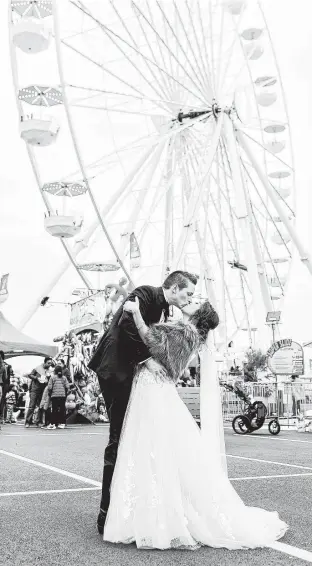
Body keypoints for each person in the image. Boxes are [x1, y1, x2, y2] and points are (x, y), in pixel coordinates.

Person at [103, 298, 288, 550]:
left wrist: (136, 313)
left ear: (198, 315)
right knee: (156, 452)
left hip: (152, 391)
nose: (189, 301)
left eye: (194, 302)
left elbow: (148, 338)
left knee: (149, 449)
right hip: (155, 390)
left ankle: (152, 517)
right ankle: (155, 514)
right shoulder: (190, 335)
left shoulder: (184, 332)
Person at [88, 270, 197, 534]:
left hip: (130, 372)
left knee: (131, 437)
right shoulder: (146, 293)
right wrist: (146, 360)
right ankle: (106, 514)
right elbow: (127, 324)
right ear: (173, 287)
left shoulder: (164, 310)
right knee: (119, 437)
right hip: (116, 369)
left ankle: (124, 508)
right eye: (188, 292)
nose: (190, 297)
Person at [47, 365, 70, 430]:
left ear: (55, 371)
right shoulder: (64, 378)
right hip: (62, 396)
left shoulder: (52, 378)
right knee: (62, 409)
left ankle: (53, 424)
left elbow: (49, 387)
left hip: (54, 396)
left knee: (54, 410)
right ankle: (62, 423)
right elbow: (67, 386)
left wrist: (49, 393)